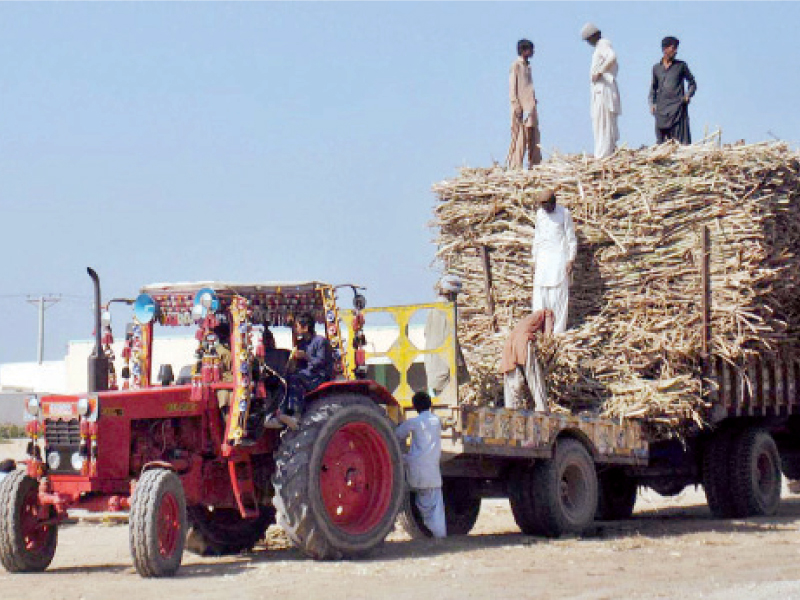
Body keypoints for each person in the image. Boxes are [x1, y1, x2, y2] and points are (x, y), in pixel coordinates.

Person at [395, 391, 446, 539]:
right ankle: (439, 535)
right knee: (436, 507)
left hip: (416, 469)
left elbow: (398, 434)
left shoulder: (414, 422)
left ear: (414, 407)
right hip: (433, 471)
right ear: (430, 404)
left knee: (422, 503)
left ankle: (431, 532)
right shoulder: (436, 421)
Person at [531, 188, 577, 334]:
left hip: (558, 260)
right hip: (543, 261)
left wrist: (571, 259)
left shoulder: (564, 213)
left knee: (558, 298)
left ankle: (557, 333)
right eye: (542, 205)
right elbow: (537, 238)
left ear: (553, 202)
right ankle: (540, 332)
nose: (545, 208)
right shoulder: (540, 215)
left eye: (547, 204)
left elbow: (571, 239)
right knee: (540, 297)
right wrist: (534, 259)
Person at [498, 309, 554, 411]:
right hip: (522, 342)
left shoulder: (524, 322)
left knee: (513, 383)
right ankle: (542, 409)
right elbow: (548, 320)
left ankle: (511, 411)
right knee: (534, 376)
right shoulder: (544, 313)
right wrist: (548, 341)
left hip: (509, 345)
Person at [283, 312, 334, 422]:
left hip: (319, 376)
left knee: (294, 378)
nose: (296, 329)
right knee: (285, 377)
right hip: (307, 374)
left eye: (297, 326)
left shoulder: (320, 341)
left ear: (305, 327)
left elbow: (320, 362)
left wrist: (305, 356)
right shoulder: (302, 343)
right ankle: (283, 411)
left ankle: (295, 413)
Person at [581, 23, 621, 159]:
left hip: (604, 89)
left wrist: (599, 71)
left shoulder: (603, 43)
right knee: (599, 122)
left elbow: (612, 56)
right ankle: (602, 152)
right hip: (599, 90)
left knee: (603, 122)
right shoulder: (599, 47)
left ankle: (604, 154)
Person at [649, 36, 697, 145]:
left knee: (681, 143)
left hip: (678, 109)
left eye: (676, 48)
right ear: (665, 49)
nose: (675, 51)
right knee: (662, 144)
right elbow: (653, 88)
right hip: (662, 111)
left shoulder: (681, 66)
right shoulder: (656, 68)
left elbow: (692, 83)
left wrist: (688, 95)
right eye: (673, 48)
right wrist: (652, 104)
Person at [507, 38, 541, 169]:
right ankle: (516, 165)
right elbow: (512, 87)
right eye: (530, 49)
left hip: (530, 107)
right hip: (521, 107)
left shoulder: (528, 66)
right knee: (521, 136)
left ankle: (535, 164)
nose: (533, 52)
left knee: (534, 135)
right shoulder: (516, 65)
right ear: (524, 51)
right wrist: (516, 105)